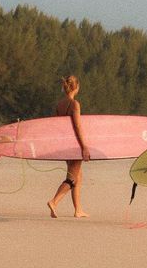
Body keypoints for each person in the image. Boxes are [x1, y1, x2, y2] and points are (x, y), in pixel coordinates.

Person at [47, 75, 90, 218]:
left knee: (78, 175)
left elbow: (56, 126)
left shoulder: (59, 105)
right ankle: (54, 201)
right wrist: (84, 146)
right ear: (76, 87)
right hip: (74, 145)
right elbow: (77, 126)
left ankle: (78, 210)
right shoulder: (75, 104)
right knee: (72, 178)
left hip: (64, 144)